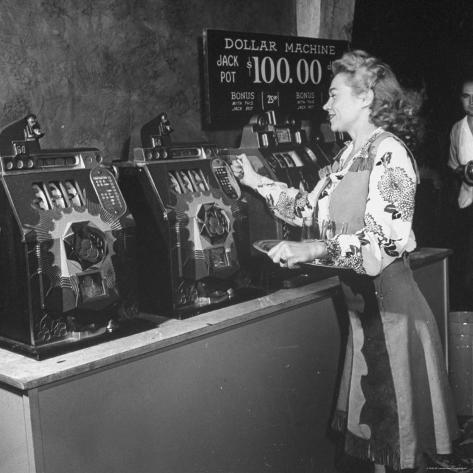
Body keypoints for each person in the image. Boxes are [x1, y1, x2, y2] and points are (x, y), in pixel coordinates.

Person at [231, 50, 458, 472]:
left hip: (392, 317)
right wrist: (255, 180)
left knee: (398, 448)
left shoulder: (390, 154)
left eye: (334, 95)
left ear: (366, 97)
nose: (326, 104)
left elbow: (382, 244)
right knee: (379, 446)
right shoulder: (347, 156)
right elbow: (305, 209)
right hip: (364, 317)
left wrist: (316, 249)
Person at [447, 75, 473, 310]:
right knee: (466, 269)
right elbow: (453, 165)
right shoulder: (457, 128)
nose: (472, 102)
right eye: (467, 96)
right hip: (466, 205)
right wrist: (463, 171)